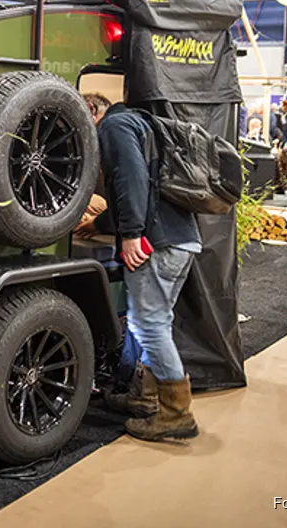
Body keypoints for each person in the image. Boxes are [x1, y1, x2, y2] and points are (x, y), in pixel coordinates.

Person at [86, 94, 201, 442]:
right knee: (154, 322)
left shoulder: (115, 126)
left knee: (150, 326)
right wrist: (103, 223)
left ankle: (176, 414)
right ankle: (146, 397)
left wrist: (132, 234)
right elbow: (145, 186)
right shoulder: (141, 123)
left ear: (91, 111)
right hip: (180, 238)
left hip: (157, 243)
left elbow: (130, 180)